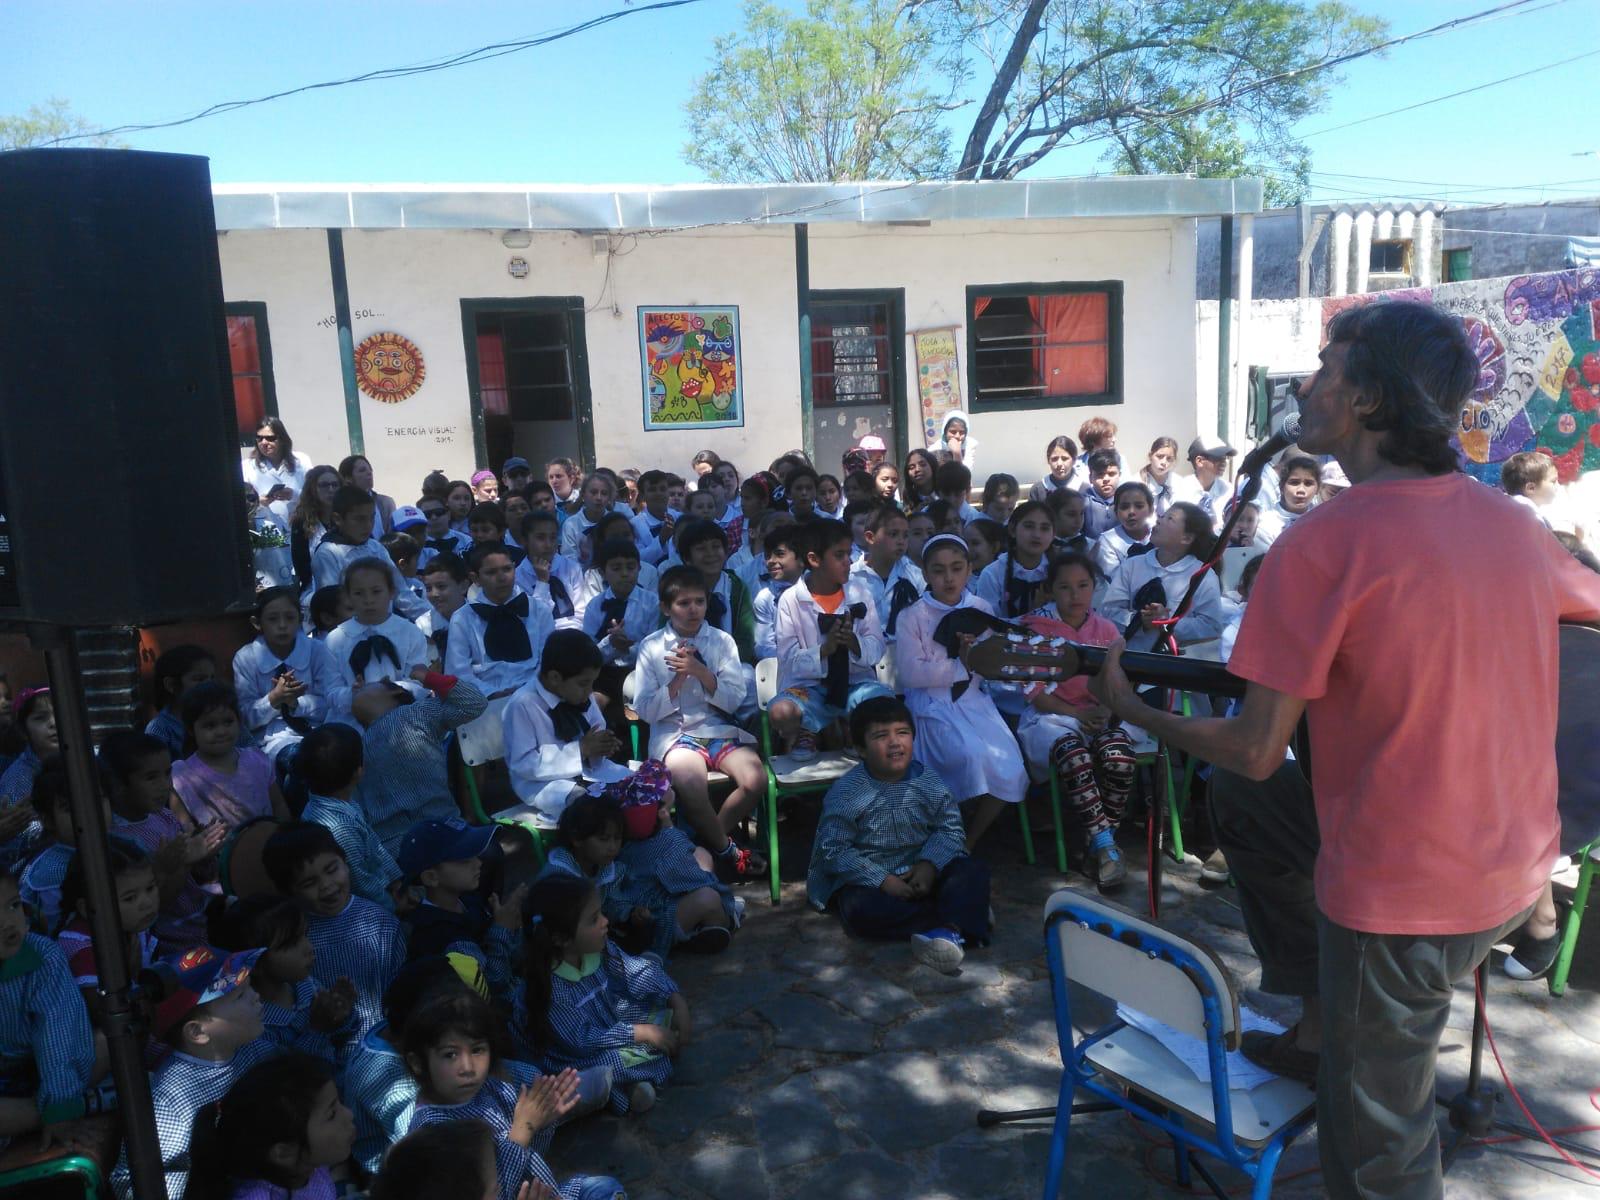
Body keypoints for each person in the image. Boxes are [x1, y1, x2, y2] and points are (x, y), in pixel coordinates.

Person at [1088, 300, 1600, 1200]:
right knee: (1254, 808)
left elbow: (1251, 745)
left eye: (1324, 367)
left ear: (1364, 399)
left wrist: (1135, 706)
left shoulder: (1323, 544)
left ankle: (1358, 1078)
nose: (1307, 384)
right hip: (1515, 867)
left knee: (1380, 1161)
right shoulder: (1515, 524)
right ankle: (1323, 1024)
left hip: (1405, 899)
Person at [806, 696, 991, 973]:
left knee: (971, 869)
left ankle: (949, 929)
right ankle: (959, 919)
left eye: (902, 733)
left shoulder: (929, 781)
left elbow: (950, 830)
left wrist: (929, 865)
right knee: (860, 911)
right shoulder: (847, 792)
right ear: (861, 749)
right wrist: (882, 880)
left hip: (922, 870)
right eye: (881, 736)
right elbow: (833, 851)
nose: (895, 742)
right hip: (870, 879)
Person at [404, 988, 621, 1200]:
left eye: (477, 1050)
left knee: (605, 1189)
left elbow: (532, 1155)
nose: (468, 1067)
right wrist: (521, 1131)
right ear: (418, 1063)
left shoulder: (492, 1089)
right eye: (450, 1054)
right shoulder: (431, 1132)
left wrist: (543, 1123)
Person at [632, 567, 768, 884]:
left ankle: (705, 848)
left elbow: (734, 700)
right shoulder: (651, 647)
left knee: (755, 778)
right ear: (666, 608)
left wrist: (701, 673)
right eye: (683, 603)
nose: (693, 610)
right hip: (675, 735)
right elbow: (647, 711)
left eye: (699, 601)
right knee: (689, 781)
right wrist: (678, 680)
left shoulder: (722, 642)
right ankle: (729, 853)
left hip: (717, 730)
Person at [894, 535, 1027, 849]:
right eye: (939, 570)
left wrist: (981, 660)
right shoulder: (912, 615)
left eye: (957, 568)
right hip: (932, 704)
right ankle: (944, 834)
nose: (949, 578)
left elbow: (994, 660)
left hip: (974, 701)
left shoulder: (981, 608)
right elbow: (911, 673)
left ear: (969, 569)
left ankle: (969, 839)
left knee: (1010, 765)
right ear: (925, 574)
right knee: (969, 756)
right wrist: (961, 665)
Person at [514, 874, 686, 1117]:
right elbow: (581, 1041)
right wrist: (639, 1033)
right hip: (571, 1055)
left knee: (655, 999)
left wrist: (674, 999)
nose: (605, 922)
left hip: (607, 1021)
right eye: (594, 919)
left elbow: (633, 970)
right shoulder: (548, 988)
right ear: (561, 939)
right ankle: (618, 1090)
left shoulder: (598, 949)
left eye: (601, 913)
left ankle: (628, 1086)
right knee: (611, 1065)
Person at [111, 945, 275, 1198]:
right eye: (240, 996)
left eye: (249, 986)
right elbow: (134, 1183)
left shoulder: (255, 1051)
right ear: (197, 1032)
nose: (256, 996)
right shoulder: (170, 1102)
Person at [1017, 553, 1136, 889]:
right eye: (1065, 587)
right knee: (1073, 754)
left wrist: (1105, 711)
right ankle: (1105, 847)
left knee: (1121, 757)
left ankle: (1098, 844)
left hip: (1098, 716)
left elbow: (1116, 685)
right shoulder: (1034, 630)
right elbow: (1036, 695)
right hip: (1052, 717)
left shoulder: (1108, 630)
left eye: (1083, 585)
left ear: (1094, 587)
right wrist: (1078, 715)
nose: (1075, 594)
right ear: (1050, 589)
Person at [263, 823, 407, 1040]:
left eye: (332, 870)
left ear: (346, 863)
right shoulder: (291, 941)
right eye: (309, 882)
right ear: (288, 891)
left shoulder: (381, 923)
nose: (327, 886)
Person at [769, 520, 891, 761]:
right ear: (814, 560)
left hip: (855, 682)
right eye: (839, 555)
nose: (848, 560)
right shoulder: (790, 600)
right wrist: (825, 650)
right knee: (780, 712)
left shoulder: (860, 592)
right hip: (809, 688)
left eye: (848, 553)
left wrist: (854, 643)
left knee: (886, 703)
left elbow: (877, 646)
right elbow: (788, 660)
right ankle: (808, 729)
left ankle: (851, 726)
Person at [102, 731, 224, 954]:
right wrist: (182, 862)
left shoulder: (163, 816)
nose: (164, 785)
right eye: (151, 777)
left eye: (167, 774)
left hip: (201, 921)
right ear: (118, 784)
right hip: (171, 943)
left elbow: (198, 877)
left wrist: (204, 854)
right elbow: (155, 904)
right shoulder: (118, 840)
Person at [0, 868, 96, 1150]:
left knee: (103, 1044)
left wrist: (59, 1105)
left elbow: (56, 1036)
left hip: (41, 1069)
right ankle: (61, 1109)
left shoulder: (43, 956)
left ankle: (60, 1108)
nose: (9, 922)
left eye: (13, 905)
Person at [208, 895, 355, 1066]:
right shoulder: (256, 1026)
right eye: (291, 944)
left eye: (304, 935)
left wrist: (342, 1012)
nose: (308, 947)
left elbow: (341, 1038)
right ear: (253, 964)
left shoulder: (306, 985)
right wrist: (317, 1030)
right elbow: (289, 1075)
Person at [355, 669, 487, 855]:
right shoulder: (356, 746)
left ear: (395, 691)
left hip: (443, 831)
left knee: (489, 856)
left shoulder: (417, 713)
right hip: (396, 849)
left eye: (367, 686)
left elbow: (475, 702)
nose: (357, 688)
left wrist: (430, 677)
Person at [189, 1052, 355, 1200]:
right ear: (284, 1153)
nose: (349, 1114)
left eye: (338, 1104)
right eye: (331, 1114)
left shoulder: (309, 1166)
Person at [503, 630, 620, 824]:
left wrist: (602, 746)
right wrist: (581, 750)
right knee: (588, 807)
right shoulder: (523, 704)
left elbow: (597, 729)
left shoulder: (579, 693)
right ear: (555, 677)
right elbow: (522, 764)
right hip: (542, 783)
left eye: (592, 683)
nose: (590, 690)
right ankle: (574, 852)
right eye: (584, 683)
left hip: (587, 772)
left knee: (639, 788)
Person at [398, 818, 524, 994]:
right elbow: (492, 984)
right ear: (431, 878)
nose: (479, 863)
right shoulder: (440, 936)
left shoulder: (466, 899)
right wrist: (503, 930)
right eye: (464, 860)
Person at [298, 723, 401, 912]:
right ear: (358, 771)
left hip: (383, 886)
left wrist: (397, 881)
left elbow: (374, 845)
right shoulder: (340, 829)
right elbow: (361, 883)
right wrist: (394, 907)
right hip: (368, 910)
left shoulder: (340, 801)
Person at [233, 586, 339, 767]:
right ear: (257, 623)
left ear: (300, 619)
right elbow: (244, 718)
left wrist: (296, 703)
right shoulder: (246, 658)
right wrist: (274, 699)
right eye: (273, 619)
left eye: (290, 618)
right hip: (272, 739)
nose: (282, 625)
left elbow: (331, 703)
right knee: (297, 761)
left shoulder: (318, 651)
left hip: (321, 731)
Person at [1100, 502, 1222, 653]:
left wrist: (1167, 621)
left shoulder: (1203, 576)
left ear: (1186, 538)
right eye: (1162, 515)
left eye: (1170, 518)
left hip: (1175, 665)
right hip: (1130, 658)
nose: (1158, 520)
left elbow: (1211, 627)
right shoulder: (1132, 566)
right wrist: (1140, 621)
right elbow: (1108, 612)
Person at [172, 682, 291, 832]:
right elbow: (184, 827)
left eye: (228, 722)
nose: (221, 731)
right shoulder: (183, 775)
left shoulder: (257, 760)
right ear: (191, 729)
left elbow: (278, 805)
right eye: (210, 725)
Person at [325, 559, 432, 714]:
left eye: (376, 591)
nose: (368, 600)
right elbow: (330, 692)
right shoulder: (335, 639)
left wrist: (390, 690)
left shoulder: (410, 633)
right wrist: (352, 694)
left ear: (391, 592)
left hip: (401, 719)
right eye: (359, 593)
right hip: (352, 722)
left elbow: (418, 682)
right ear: (348, 596)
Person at [446, 543, 553, 698]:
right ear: (475, 578)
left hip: (535, 693)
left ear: (515, 569)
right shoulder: (462, 619)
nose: (502, 577)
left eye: (507, 569)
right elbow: (457, 672)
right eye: (491, 572)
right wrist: (492, 693)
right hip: (484, 700)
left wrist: (527, 691)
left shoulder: (539, 610)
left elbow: (548, 661)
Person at [311, 486, 425, 619]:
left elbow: (401, 592)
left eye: (371, 518)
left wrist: (430, 619)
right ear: (338, 519)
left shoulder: (376, 547)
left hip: (386, 626)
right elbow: (335, 606)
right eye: (359, 519)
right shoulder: (328, 553)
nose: (368, 525)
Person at [849, 503, 925, 641]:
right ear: (870, 537)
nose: (901, 541)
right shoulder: (851, 578)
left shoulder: (916, 576)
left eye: (906, 535)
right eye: (893, 534)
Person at [0, 687, 53, 870]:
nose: (53, 723)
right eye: (41, 718)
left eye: (59, 714)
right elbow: (20, 832)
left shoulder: (89, 759)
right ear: (24, 730)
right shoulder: (17, 779)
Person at [146, 644, 219, 758]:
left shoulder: (224, 715)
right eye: (199, 679)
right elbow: (157, 770)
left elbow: (253, 753)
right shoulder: (160, 729)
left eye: (212, 678)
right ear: (171, 685)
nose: (209, 685)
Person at [243, 417, 313, 517]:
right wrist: (258, 502)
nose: (264, 443)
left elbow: (314, 492)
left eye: (270, 438)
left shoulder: (301, 460)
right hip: (265, 527)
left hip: (299, 524)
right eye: (259, 438)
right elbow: (240, 501)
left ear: (282, 439)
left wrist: (293, 495)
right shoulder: (247, 466)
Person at [1091, 480, 1155, 585]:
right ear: (1116, 512)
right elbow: (1117, 582)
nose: (1131, 512)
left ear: (1151, 509)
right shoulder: (1107, 541)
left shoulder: (1160, 536)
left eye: (1139, 506)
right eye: (1124, 507)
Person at [1253, 454, 1321, 550]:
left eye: (1308, 483)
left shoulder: (1323, 521)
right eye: (1294, 482)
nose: (1301, 489)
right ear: (1281, 487)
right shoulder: (1266, 523)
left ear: (1318, 489)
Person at [417, 551, 470, 666]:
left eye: (441, 586)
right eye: (428, 588)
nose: (434, 594)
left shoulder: (479, 617)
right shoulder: (423, 624)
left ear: (463, 586)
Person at [1173, 436, 1236, 532]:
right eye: (1218, 457)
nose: (1224, 462)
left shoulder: (1229, 490)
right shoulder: (1180, 490)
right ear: (1199, 461)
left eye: (1225, 457)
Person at [340, 453, 398, 535]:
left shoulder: (385, 503)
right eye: (362, 470)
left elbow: (393, 535)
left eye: (370, 470)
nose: (369, 473)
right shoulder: (340, 506)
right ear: (348, 478)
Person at [1077, 449, 1121, 539]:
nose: (1106, 479)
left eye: (1111, 474)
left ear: (1119, 475)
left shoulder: (1126, 502)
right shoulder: (1081, 503)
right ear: (1090, 478)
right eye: (1100, 474)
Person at [1028, 435, 1079, 504]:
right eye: (1054, 459)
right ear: (1048, 461)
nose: (1059, 464)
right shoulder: (1038, 490)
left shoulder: (1084, 488)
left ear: (1074, 460)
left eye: (1065, 458)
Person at [1139, 436, 1181, 516]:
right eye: (1159, 456)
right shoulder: (1137, 482)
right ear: (1150, 456)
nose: (1164, 462)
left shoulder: (1178, 482)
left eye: (1169, 458)